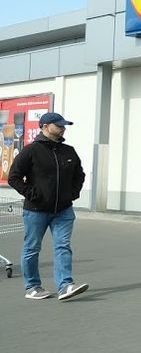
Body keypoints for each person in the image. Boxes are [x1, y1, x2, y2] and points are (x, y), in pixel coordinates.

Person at [7, 112, 89, 301]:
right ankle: (32, 287)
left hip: (64, 210)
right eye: (58, 125)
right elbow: (14, 177)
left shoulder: (69, 151)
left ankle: (65, 286)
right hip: (36, 211)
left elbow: (79, 175)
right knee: (32, 248)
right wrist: (33, 195)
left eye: (64, 126)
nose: (63, 128)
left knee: (63, 246)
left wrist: (72, 194)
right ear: (45, 126)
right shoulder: (31, 150)